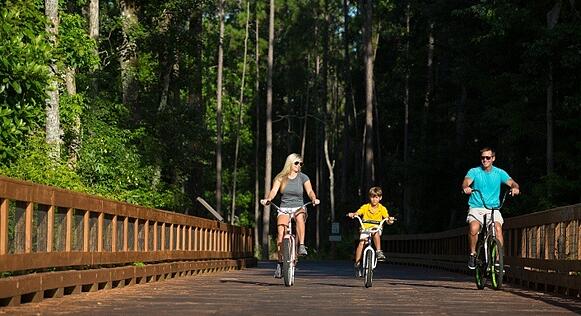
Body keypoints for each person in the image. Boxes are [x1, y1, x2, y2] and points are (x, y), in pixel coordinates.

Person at [261, 153, 320, 278]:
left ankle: (302, 245)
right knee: (281, 233)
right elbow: (273, 191)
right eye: (297, 163)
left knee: (300, 218)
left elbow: (309, 191)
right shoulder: (281, 177)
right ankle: (280, 263)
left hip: (298, 207)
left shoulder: (303, 177)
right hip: (284, 207)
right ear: (290, 163)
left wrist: (314, 198)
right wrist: (268, 199)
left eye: (301, 164)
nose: (299, 166)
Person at [462, 147, 520, 270]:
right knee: (474, 228)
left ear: (493, 158)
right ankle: (473, 254)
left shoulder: (499, 173)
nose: (485, 160)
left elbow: (513, 183)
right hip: (476, 207)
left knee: (498, 228)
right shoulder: (474, 171)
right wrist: (466, 187)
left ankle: (498, 259)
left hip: (493, 208)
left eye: (488, 157)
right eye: (483, 157)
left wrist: (515, 188)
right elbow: (466, 181)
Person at [347, 187, 394, 273]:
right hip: (365, 227)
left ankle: (379, 251)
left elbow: (387, 218)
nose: (374, 199)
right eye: (372, 197)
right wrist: (354, 214)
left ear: (380, 198)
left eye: (376, 197)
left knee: (375, 232)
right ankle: (357, 263)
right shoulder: (366, 207)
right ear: (369, 197)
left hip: (376, 228)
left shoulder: (382, 208)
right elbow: (359, 212)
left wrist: (390, 220)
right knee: (362, 242)